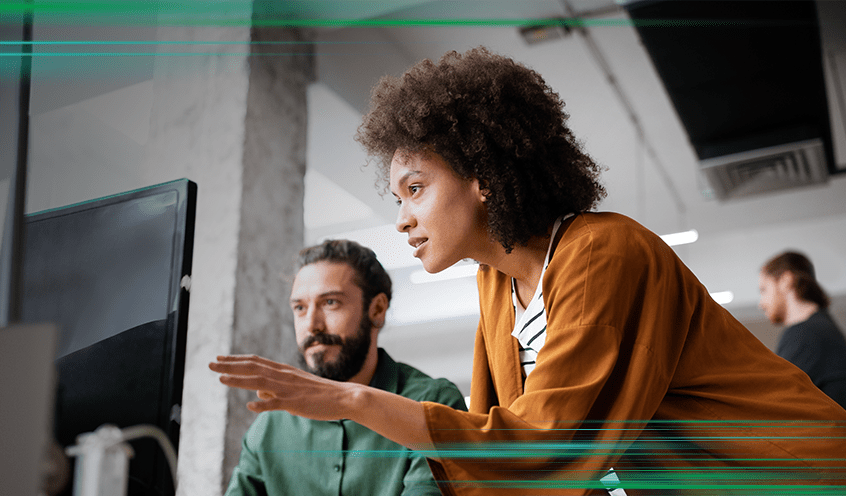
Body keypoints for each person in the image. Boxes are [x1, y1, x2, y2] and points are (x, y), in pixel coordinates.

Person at [211, 47, 846, 495]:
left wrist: (351, 399)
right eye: (396, 198)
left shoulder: (601, 252)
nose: (402, 219)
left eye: (414, 187)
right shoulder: (498, 286)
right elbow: (509, 456)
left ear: (482, 176)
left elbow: (536, 443)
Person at [223, 239, 467, 496]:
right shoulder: (270, 424)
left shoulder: (433, 405)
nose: (312, 325)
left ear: (377, 309)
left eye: (330, 303)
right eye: (300, 308)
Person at [759, 251, 846, 409]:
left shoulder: (807, 334)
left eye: (764, 290)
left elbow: (774, 404)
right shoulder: (820, 328)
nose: (761, 303)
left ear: (786, 280)